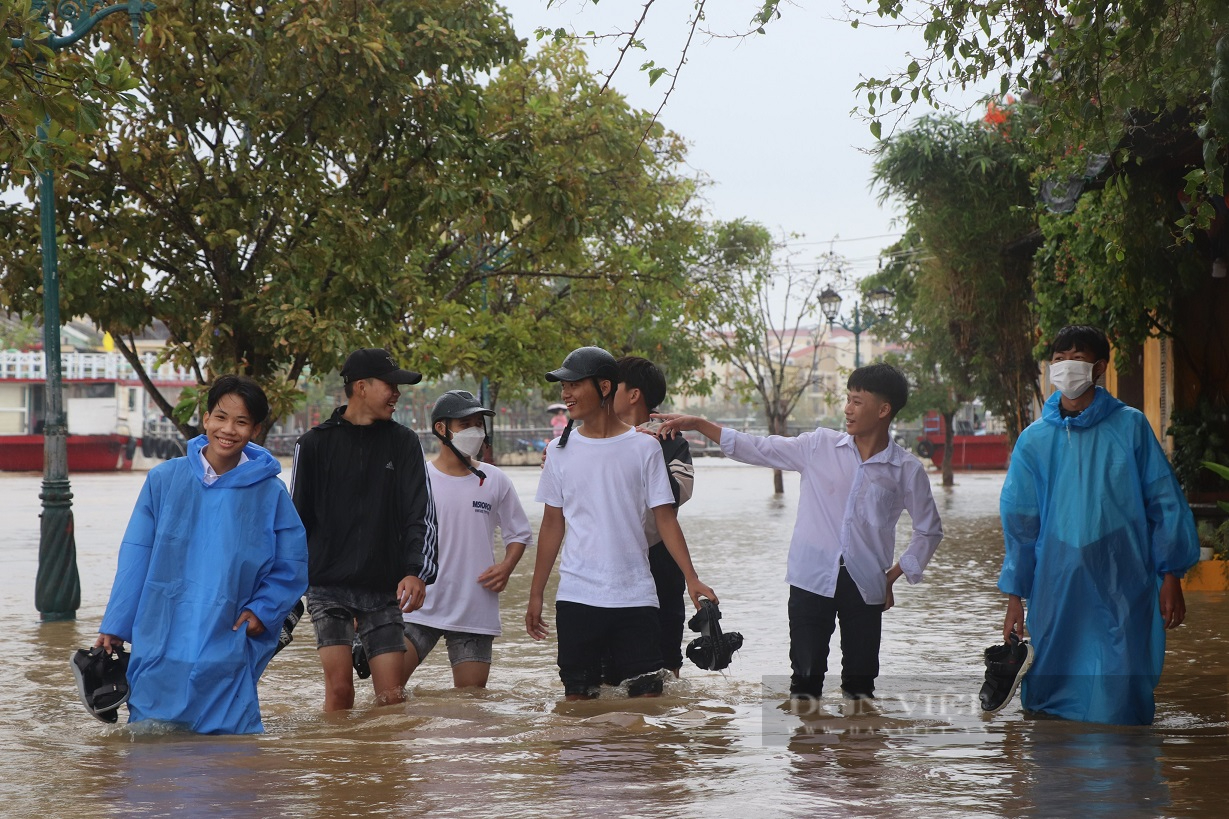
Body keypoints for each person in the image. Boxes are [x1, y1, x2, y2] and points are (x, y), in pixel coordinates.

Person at [655, 363, 943, 702]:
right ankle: (809, 751)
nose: (847, 410)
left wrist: (893, 576)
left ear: (883, 410)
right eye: (847, 400)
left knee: (860, 689)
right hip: (810, 579)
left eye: (857, 402)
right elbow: (760, 448)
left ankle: (860, 755)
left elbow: (929, 531)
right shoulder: (819, 445)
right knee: (804, 685)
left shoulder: (906, 469)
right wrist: (701, 425)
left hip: (866, 586)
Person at [998, 325, 1199, 725]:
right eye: (1058, 359)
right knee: (1049, 699)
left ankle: (1122, 781)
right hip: (1056, 587)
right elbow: (1020, 523)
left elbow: (1164, 502)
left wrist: (1171, 574)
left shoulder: (1131, 426)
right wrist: (1015, 595)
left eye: (1075, 357)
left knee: (1120, 696)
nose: (1065, 366)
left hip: (1122, 582)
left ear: (1100, 366)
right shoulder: (1034, 440)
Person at [95, 375, 308, 734]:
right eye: (221, 418)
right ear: (206, 418)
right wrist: (116, 625)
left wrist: (262, 610)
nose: (228, 429)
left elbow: (292, 564)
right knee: (148, 747)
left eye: (241, 422)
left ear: (255, 429)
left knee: (228, 752)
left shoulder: (270, 493)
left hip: (227, 634)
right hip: (160, 632)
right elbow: (135, 554)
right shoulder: (163, 479)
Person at [525, 346, 718, 700]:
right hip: (576, 598)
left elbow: (665, 518)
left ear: (604, 387)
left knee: (647, 708)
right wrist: (536, 593)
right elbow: (552, 524)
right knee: (578, 711)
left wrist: (692, 578)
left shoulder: (646, 448)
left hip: (637, 596)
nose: (565, 393)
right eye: (562, 386)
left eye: (573, 384)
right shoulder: (558, 451)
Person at [291, 348, 438, 711]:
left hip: (383, 587)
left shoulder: (404, 443)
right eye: (390, 385)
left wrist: (415, 572)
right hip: (328, 588)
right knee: (340, 691)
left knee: (391, 698)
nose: (396, 394)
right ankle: (339, 766)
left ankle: (385, 768)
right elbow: (295, 523)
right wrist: (288, 588)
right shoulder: (312, 445)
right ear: (361, 387)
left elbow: (420, 513)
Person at [401, 390, 533, 689]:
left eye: (479, 423)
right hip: (418, 604)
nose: (475, 431)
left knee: (471, 706)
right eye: (465, 424)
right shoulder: (417, 477)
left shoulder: (495, 479)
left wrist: (507, 567)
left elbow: (519, 533)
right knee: (389, 694)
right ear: (440, 429)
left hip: (475, 606)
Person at [613, 355, 695, 677]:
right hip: (613, 558)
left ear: (634, 395)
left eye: (612, 385)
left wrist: (645, 453)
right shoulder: (593, 440)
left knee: (667, 662)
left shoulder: (670, 440)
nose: (604, 392)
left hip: (660, 556)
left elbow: (677, 494)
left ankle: (667, 725)